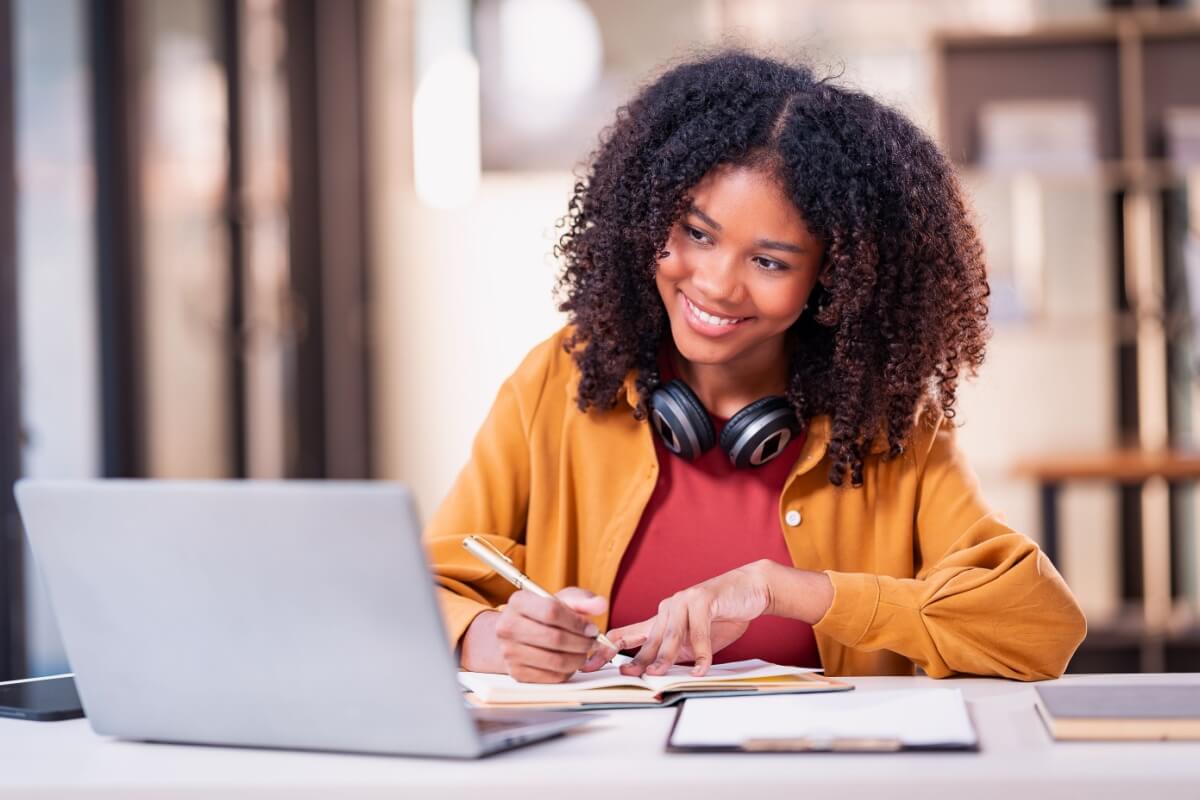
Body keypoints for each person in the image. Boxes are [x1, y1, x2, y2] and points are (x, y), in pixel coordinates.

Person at [424, 50, 1086, 684]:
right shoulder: (561, 379)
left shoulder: (888, 425)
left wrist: (788, 590)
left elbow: (1039, 626)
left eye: (769, 261)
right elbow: (424, 588)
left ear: (834, 276)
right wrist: (492, 641)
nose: (715, 284)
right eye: (696, 233)